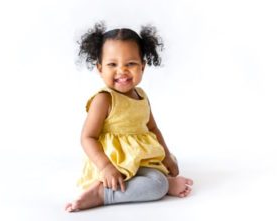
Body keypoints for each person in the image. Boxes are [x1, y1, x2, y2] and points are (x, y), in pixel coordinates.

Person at [65, 22, 193, 212]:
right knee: (156, 185)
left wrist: (166, 156)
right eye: (112, 64)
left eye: (131, 64)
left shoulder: (141, 95)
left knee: (169, 165)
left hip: (138, 157)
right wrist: (106, 166)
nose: (122, 70)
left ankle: (163, 181)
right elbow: (87, 137)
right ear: (100, 69)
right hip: (113, 161)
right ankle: (102, 194)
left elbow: (152, 129)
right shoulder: (104, 99)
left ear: (143, 66)